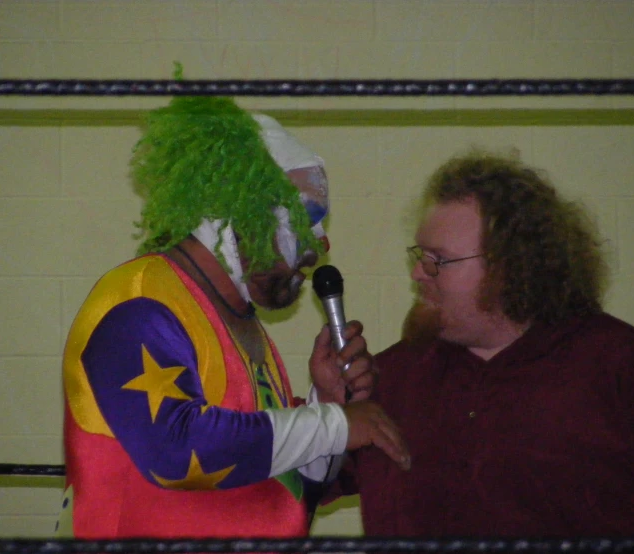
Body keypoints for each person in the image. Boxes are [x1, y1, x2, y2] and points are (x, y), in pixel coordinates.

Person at [56, 68, 410, 539]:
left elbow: (284, 487)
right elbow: (178, 449)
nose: (319, 244)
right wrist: (333, 425)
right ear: (241, 208)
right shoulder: (139, 301)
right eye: (306, 218)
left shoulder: (242, 327)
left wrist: (325, 400)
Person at [339, 150, 634, 537]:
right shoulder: (392, 379)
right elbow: (296, 484)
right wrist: (328, 407)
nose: (419, 273)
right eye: (420, 255)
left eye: (439, 259)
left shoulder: (632, 375)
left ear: (509, 266)